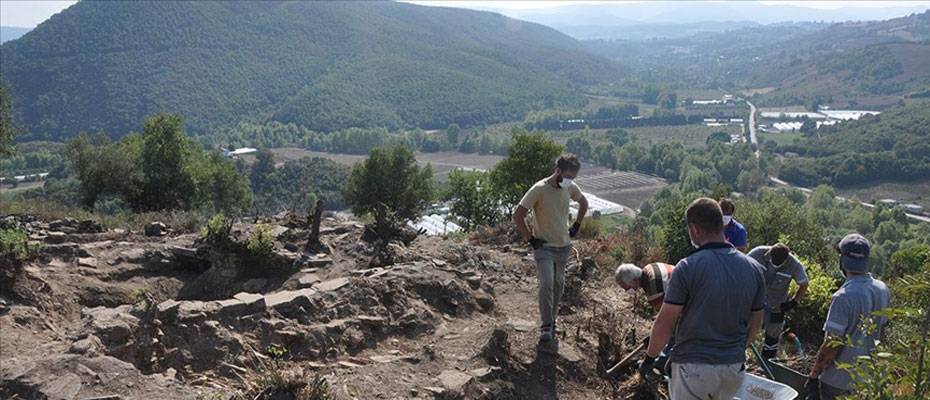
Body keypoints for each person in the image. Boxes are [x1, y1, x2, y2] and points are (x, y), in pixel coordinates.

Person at [639, 198, 766, 399]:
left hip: (694, 369)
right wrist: (736, 350)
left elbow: (665, 323)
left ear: (695, 229)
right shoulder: (755, 269)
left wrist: (649, 358)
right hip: (733, 371)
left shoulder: (688, 267)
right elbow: (756, 323)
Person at [512, 154, 588, 344]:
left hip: (563, 246)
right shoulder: (539, 189)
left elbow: (583, 203)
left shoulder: (569, 187)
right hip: (544, 246)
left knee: (558, 284)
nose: (570, 181)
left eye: (573, 178)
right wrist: (530, 239)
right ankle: (546, 325)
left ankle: (552, 321)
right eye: (568, 176)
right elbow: (518, 215)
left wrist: (576, 226)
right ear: (558, 171)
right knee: (547, 282)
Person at [807, 234, 890, 400]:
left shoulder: (844, 296)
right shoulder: (882, 289)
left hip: (838, 381)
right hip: (867, 379)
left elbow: (832, 344)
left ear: (842, 261)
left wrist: (814, 375)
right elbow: (882, 333)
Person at [748, 243, 809, 359]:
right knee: (744, 330)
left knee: (772, 336)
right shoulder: (758, 253)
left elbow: (804, 284)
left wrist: (792, 303)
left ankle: (768, 362)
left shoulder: (794, 264)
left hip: (776, 306)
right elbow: (741, 267)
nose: (775, 264)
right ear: (769, 254)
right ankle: (738, 361)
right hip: (753, 302)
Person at [616, 262, 677, 371]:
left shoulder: (654, 289)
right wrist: (653, 336)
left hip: (693, 304)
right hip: (692, 294)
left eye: (626, 288)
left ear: (634, 281)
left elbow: (666, 322)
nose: (626, 291)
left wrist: (649, 359)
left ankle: (661, 366)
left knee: (676, 333)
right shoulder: (650, 268)